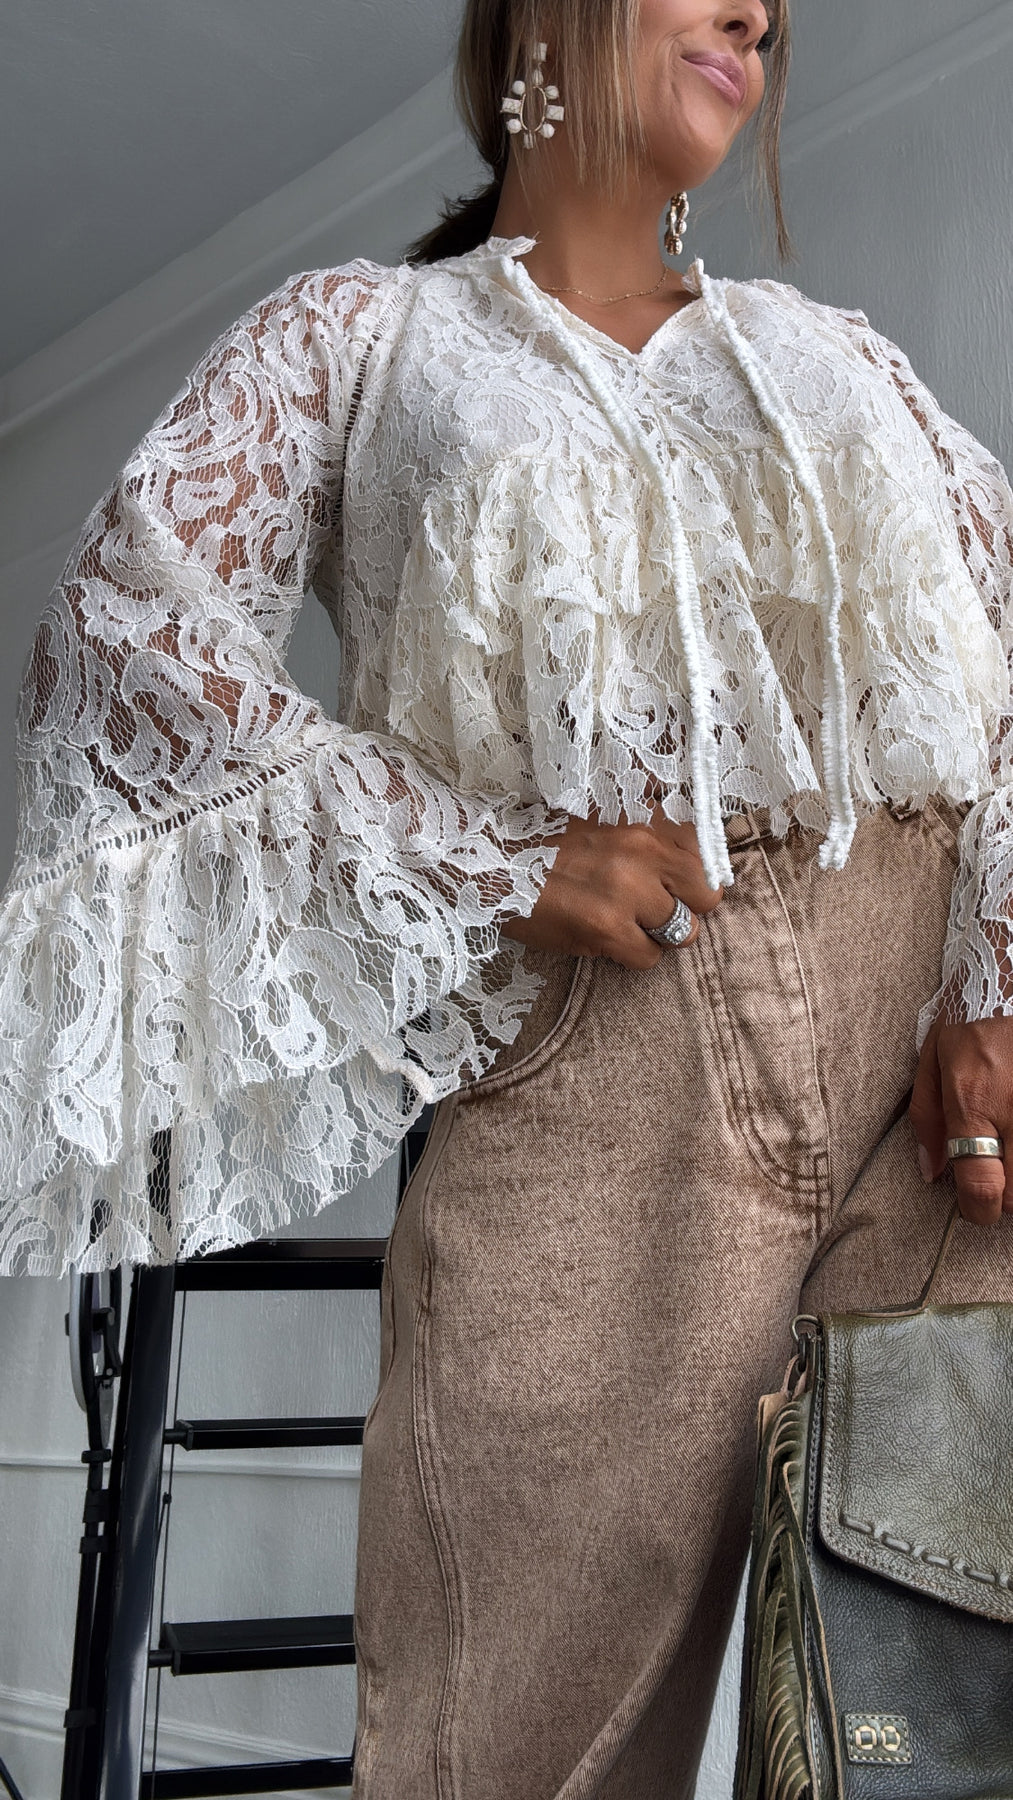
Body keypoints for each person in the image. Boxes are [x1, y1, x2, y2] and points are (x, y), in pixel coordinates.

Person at [2, 0, 1013, 1791]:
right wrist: (485, 856)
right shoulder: (366, 340)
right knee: (514, 1758)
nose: (757, 13)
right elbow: (124, 640)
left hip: (937, 1112)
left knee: (942, 1736)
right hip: (588, 1108)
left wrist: (996, 969)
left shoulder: (831, 353)